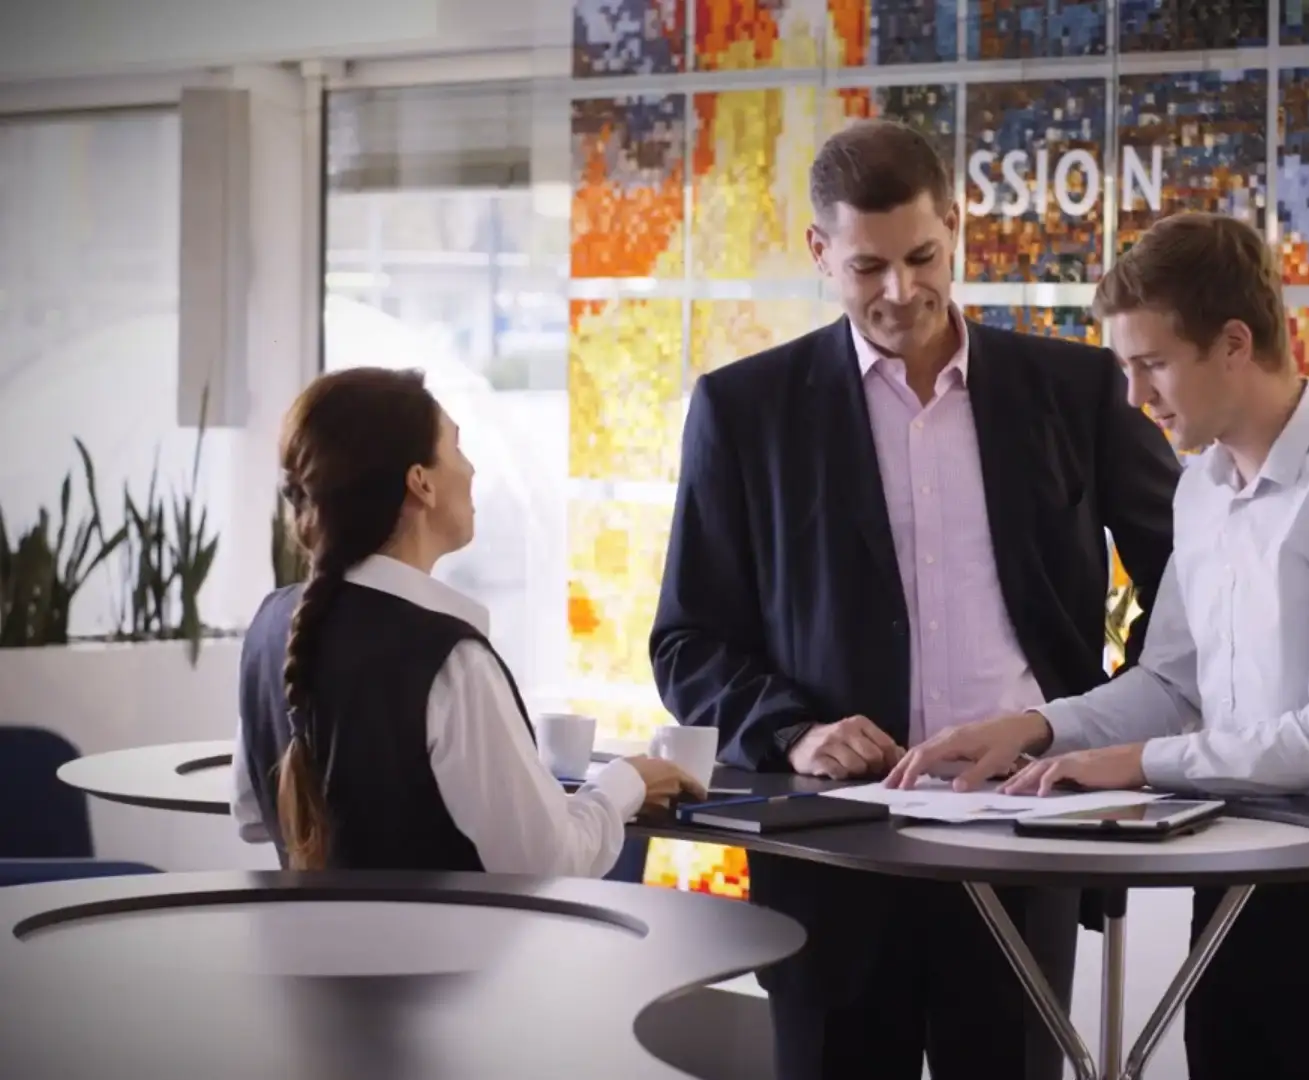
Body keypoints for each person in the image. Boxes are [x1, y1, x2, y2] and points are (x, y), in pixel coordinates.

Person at [649, 119, 1180, 1080]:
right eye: (868, 269)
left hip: (1025, 837)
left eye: (923, 257)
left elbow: (1194, 578)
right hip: (832, 855)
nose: (902, 292)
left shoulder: (1075, 387)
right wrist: (791, 732)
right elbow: (687, 641)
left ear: (956, 222)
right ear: (820, 253)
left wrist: (1103, 726)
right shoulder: (744, 411)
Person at [887, 211, 1309, 1079]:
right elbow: (1173, 683)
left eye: (1152, 364)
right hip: (1233, 888)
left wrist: (1142, 764)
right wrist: (1036, 728)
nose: (1133, 396)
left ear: (1235, 343)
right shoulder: (1202, 487)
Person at [232, 367, 704, 875]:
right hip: (446, 955)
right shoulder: (451, 660)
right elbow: (549, 861)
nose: (472, 469)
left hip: (313, 953)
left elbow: (252, 815)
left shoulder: (269, 628)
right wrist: (625, 783)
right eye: (457, 448)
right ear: (421, 484)